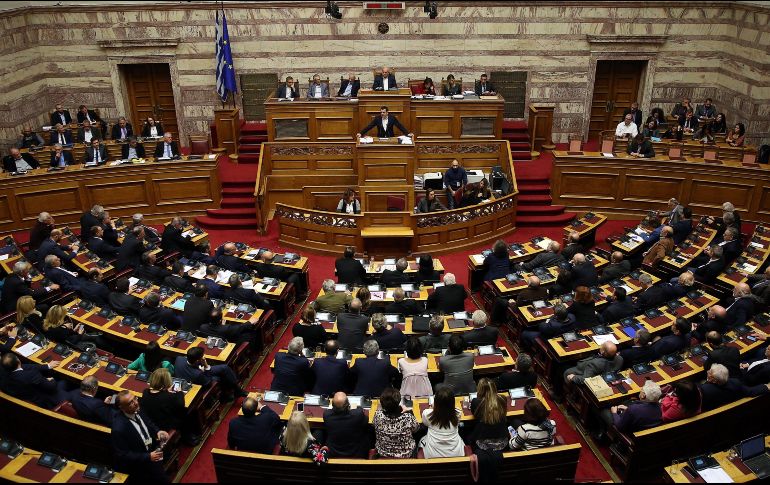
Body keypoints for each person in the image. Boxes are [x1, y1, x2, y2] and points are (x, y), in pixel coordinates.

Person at [111, 390, 170, 483]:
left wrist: (158, 431)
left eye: (135, 398)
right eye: (130, 402)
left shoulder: (137, 408)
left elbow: (147, 422)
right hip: (140, 466)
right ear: (121, 407)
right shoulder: (119, 429)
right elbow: (123, 455)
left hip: (152, 453)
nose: (135, 403)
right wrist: (148, 457)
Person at [174, 346, 246, 401]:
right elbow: (208, 382)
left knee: (224, 368)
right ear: (197, 361)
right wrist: (205, 365)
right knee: (218, 377)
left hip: (195, 372)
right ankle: (225, 396)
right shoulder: (197, 374)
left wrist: (200, 369)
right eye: (202, 356)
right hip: (197, 383)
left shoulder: (179, 359)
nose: (204, 357)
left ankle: (237, 390)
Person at [0, 352, 66, 409]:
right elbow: (51, 386)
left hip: (21, 395)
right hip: (42, 400)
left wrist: (48, 366)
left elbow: (25, 366)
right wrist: (52, 379)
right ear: (18, 361)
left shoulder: (4, 372)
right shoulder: (32, 375)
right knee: (64, 382)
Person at [698, 364, 769, 411]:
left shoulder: (704, 390)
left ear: (714, 380)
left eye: (709, 372)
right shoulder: (735, 383)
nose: (707, 371)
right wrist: (766, 387)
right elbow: (750, 391)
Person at [419, 384, 464, 458]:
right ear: (452, 402)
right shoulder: (458, 413)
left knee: (421, 439)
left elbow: (425, 423)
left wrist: (432, 408)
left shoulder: (427, 414)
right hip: (455, 452)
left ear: (435, 402)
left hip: (432, 454)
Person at [373, 387, 419, 458]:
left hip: (383, 453)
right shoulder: (408, 417)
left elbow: (373, 424)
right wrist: (410, 412)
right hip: (406, 454)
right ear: (398, 402)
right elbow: (416, 429)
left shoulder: (378, 415)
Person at [323, 392, 369, 458]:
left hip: (334, 452)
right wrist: (353, 409)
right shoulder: (358, 414)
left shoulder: (327, 415)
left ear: (332, 405)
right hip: (355, 452)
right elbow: (366, 419)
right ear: (348, 404)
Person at [468, 378, 509, 451]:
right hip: (502, 441)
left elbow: (475, 415)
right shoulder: (502, 398)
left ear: (480, 389)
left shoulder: (476, 402)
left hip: (483, 443)